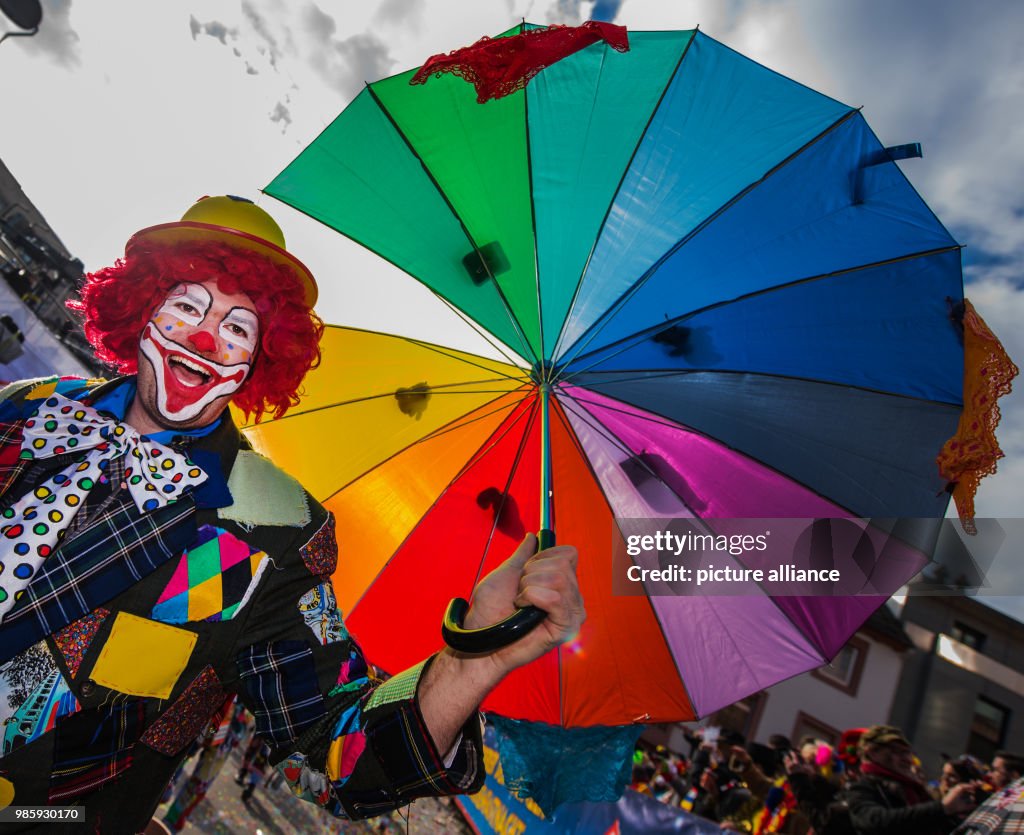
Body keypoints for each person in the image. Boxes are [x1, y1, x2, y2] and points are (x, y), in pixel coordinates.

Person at [0, 195, 584, 832]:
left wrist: (478, 656)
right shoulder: (24, 407)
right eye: (189, 307)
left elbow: (336, 754)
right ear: (143, 309)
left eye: (236, 328)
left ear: (261, 357)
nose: (204, 339)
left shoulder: (277, 526)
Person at [845, 725, 979, 835]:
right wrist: (942, 807)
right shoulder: (863, 786)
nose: (907, 759)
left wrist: (965, 809)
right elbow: (874, 822)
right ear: (873, 752)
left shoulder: (915, 789)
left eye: (907, 752)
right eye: (897, 751)